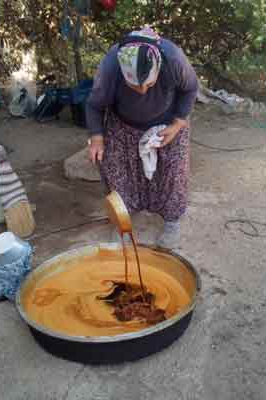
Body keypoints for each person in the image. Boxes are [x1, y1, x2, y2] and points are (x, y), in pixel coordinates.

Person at [85, 27, 198, 249]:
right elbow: (94, 105)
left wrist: (177, 124)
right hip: (123, 124)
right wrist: (97, 138)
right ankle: (122, 221)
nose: (143, 91)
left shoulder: (173, 58)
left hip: (169, 122)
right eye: (135, 86)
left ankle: (172, 220)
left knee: (174, 171)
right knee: (115, 169)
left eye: (149, 83)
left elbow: (190, 88)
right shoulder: (111, 67)